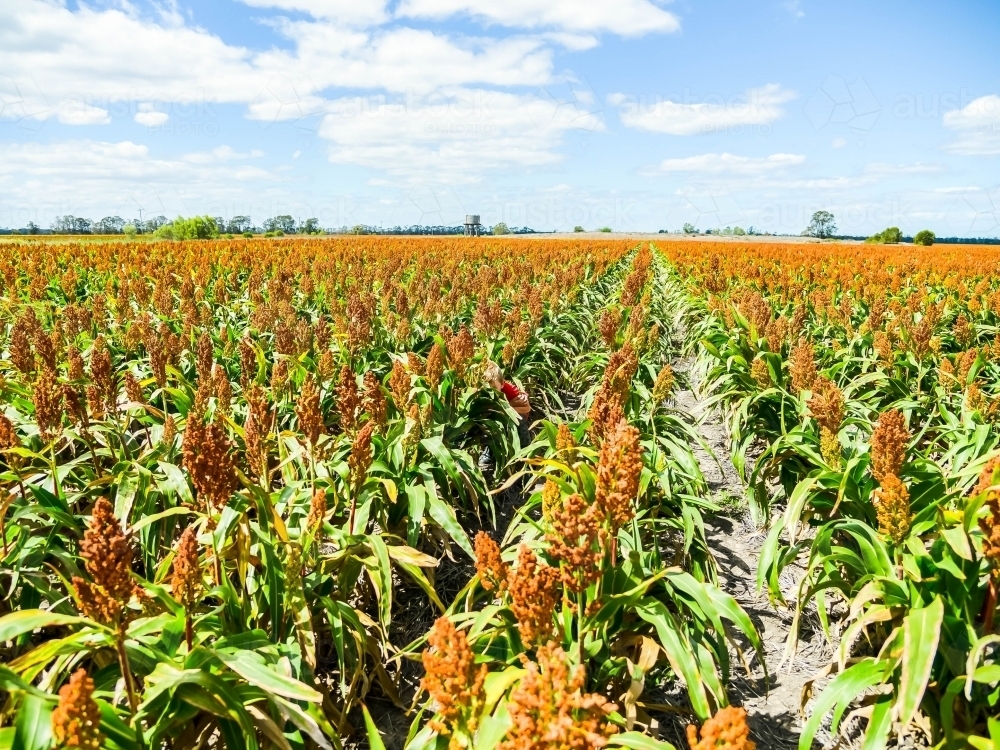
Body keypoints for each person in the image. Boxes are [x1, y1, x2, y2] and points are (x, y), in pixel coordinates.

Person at [482, 360, 533, 456]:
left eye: (493, 387)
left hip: (513, 413)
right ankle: (489, 453)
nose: (490, 391)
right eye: (486, 387)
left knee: (520, 421)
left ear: (502, 384)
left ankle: (526, 449)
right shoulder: (479, 393)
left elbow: (526, 407)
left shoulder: (509, 390)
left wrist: (507, 410)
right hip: (492, 414)